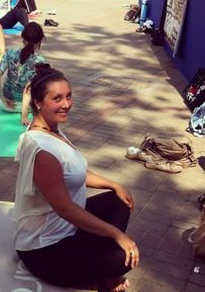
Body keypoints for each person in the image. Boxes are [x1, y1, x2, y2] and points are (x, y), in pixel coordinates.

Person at [14, 64, 138, 292]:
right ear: (38, 103)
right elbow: (65, 209)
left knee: (120, 200)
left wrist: (113, 184)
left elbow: (74, 173)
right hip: (45, 250)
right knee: (122, 258)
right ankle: (106, 278)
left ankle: (105, 274)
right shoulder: (42, 149)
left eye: (69, 96)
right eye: (57, 98)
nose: (66, 104)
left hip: (65, 230)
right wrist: (116, 234)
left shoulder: (52, 129)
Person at [0, 22, 45, 123]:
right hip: (25, 107)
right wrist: (24, 116)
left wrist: (3, 100)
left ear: (23, 39)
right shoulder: (40, 62)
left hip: (5, 104)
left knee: (7, 71)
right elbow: (27, 91)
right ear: (40, 40)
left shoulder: (10, 53)